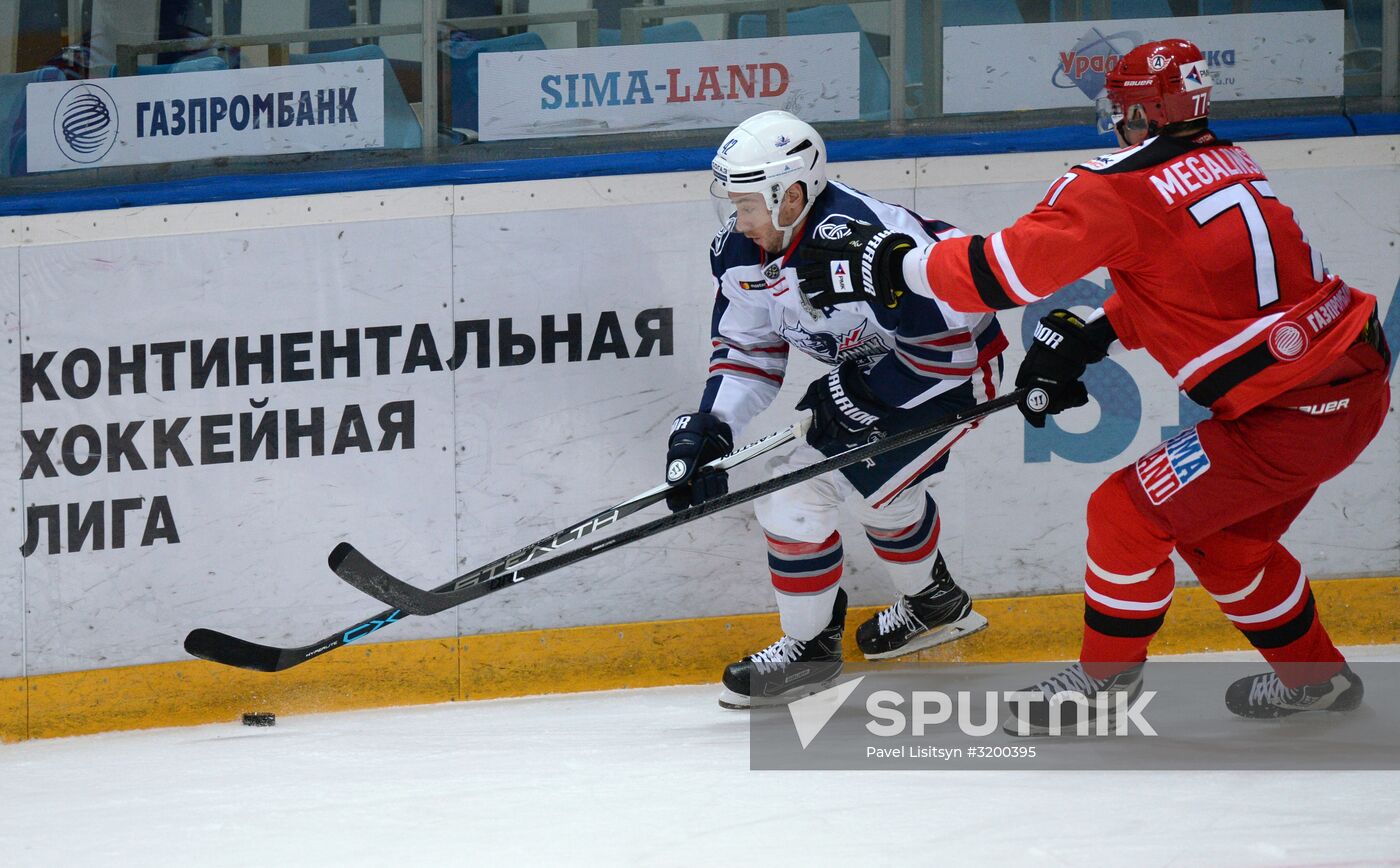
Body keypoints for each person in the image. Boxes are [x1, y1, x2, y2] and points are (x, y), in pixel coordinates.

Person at [796, 39, 1390, 732]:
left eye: (1122, 110)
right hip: (1352, 385)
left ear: (1139, 112)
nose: (1116, 123)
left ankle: (1103, 682)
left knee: (1125, 514)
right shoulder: (1229, 162)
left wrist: (892, 260)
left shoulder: (1116, 184)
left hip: (1289, 414)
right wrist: (1092, 333)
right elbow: (1193, 288)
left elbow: (998, 275)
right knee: (1228, 548)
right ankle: (1316, 679)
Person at [667, 110, 1007, 709]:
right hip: (887, 371)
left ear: (791, 195)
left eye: (747, 205)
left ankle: (810, 650)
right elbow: (749, 351)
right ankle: (935, 603)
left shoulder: (866, 241)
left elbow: (948, 352)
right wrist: (713, 427)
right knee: (884, 493)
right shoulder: (744, 251)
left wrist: (856, 396)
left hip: (952, 376)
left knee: (792, 493)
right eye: (734, 205)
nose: (737, 221)